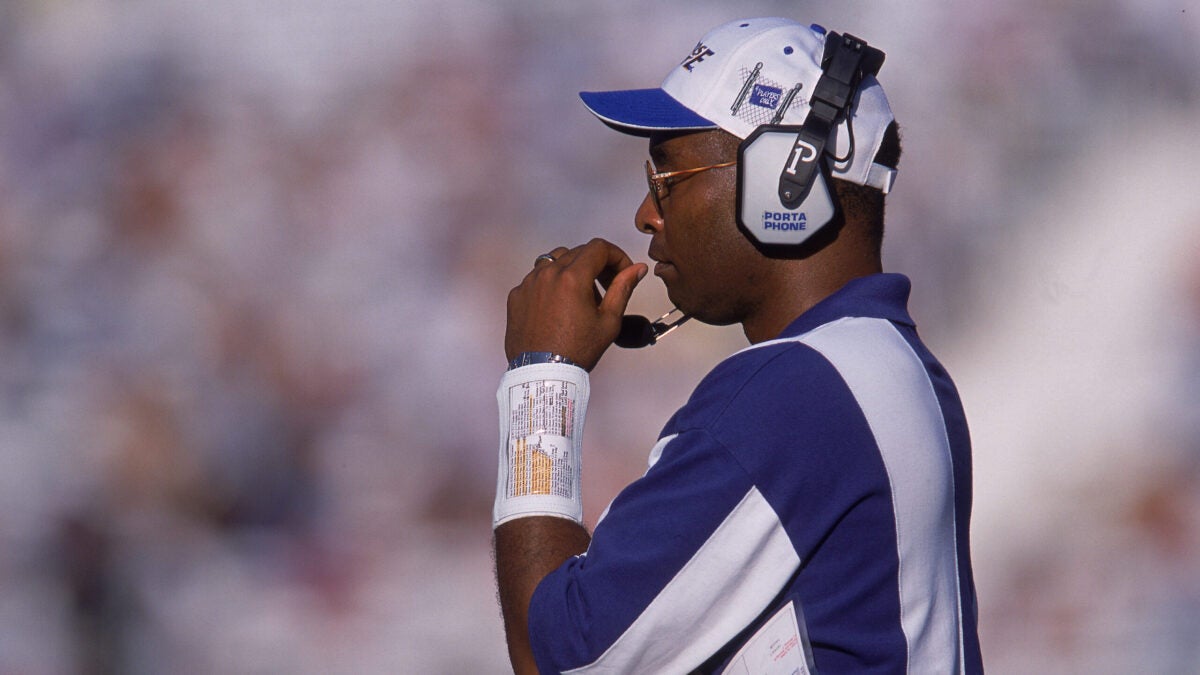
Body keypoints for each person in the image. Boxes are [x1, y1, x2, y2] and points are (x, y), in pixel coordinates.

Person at [493, 17, 982, 674]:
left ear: (790, 178)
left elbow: (554, 655)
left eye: (669, 173)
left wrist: (540, 382)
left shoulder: (795, 394)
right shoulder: (894, 366)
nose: (646, 213)